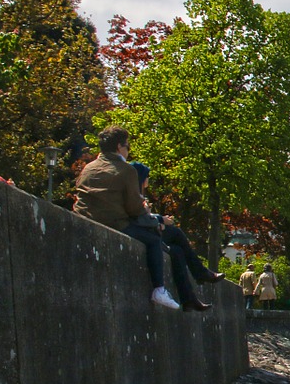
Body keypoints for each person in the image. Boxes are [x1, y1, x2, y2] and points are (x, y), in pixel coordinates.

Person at [73, 126, 200, 311]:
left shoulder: (88, 168)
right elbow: (134, 208)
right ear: (119, 147)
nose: (128, 150)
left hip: (84, 218)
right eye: (127, 146)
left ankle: (195, 280)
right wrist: (154, 219)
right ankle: (159, 289)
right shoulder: (125, 170)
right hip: (112, 222)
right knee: (153, 240)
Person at [131, 161, 225, 296]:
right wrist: (159, 220)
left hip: (150, 229)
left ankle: (189, 299)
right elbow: (140, 218)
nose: (148, 179)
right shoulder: (135, 196)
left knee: (177, 251)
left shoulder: (137, 195)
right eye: (147, 176)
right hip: (147, 233)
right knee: (176, 233)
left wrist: (157, 221)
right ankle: (200, 273)